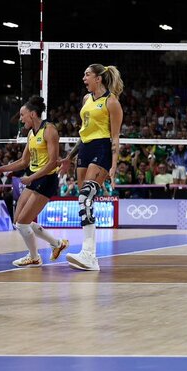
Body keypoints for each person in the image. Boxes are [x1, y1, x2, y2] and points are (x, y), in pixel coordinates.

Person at [0, 95, 70, 267]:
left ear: (32, 114)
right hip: (33, 178)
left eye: (22, 114)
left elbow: (53, 162)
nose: (21, 118)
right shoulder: (32, 133)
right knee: (19, 221)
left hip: (46, 179)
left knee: (23, 223)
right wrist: (1, 169)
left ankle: (34, 256)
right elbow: (23, 162)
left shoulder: (49, 130)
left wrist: (30, 178)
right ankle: (57, 243)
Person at [60, 64, 124, 271]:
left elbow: (115, 137)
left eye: (87, 74)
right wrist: (70, 157)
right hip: (85, 149)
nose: (83, 78)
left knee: (85, 197)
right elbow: (83, 133)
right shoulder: (87, 100)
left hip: (102, 147)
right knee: (84, 201)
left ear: (98, 79)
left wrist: (113, 165)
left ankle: (89, 253)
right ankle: (90, 256)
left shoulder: (111, 102)